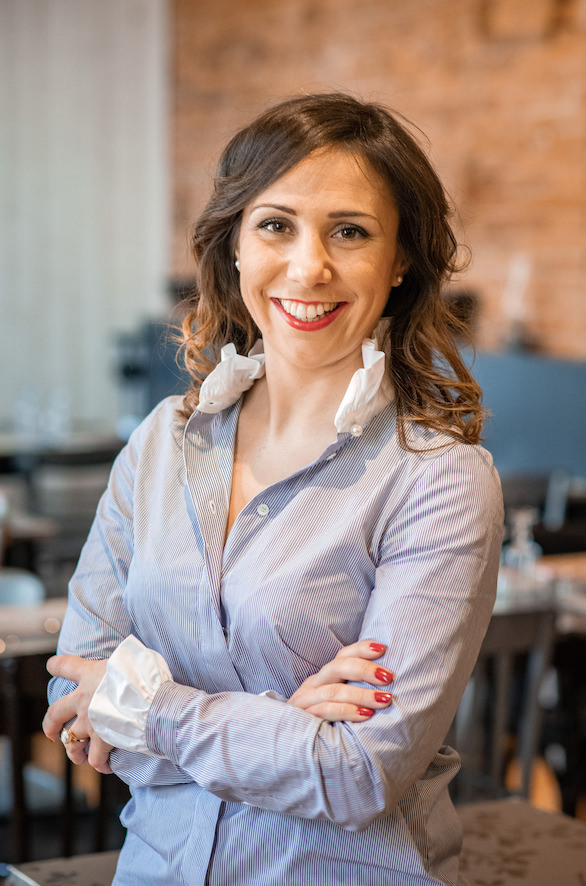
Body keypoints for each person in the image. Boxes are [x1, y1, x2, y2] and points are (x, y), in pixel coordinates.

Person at [43, 93, 504, 885]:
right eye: (276, 225)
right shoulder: (161, 440)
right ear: (233, 245)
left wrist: (151, 708)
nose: (308, 266)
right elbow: (76, 701)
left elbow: (359, 776)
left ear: (399, 261)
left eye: (349, 232)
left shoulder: (438, 480)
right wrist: (287, 724)